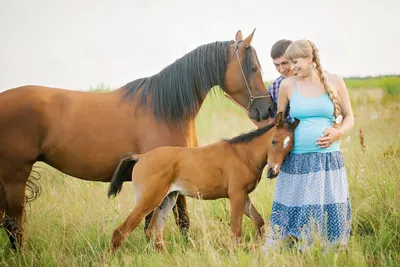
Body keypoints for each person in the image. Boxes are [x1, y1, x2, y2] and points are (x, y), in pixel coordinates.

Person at [262, 39, 354, 252]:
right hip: (296, 158)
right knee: (293, 206)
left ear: (310, 58)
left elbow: (349, 116)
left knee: (328, 205)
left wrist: (338, 132)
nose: (291, 68)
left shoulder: (335, 81)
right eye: (289, 63)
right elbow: (280, 123)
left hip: (327, 158)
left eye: (295, 62)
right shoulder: (287, 85)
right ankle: (294, 246)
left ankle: (329, 249)